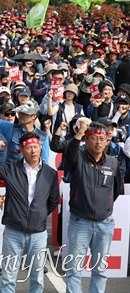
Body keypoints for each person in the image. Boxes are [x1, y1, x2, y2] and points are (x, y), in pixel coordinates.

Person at [0, 133, 59, 293]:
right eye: (29, 147)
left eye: (36, 147)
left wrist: (38, 214)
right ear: (21, 150)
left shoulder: (50, 173)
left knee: (37, 276)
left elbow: (53, 200)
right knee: (9, 275)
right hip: (13, 230)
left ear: (40, 148)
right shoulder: (11, 168)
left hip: (38, 231)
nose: (33, 151)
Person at [64, 120, 123, 293]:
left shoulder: (113, 162)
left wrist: (105, 206)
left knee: (100, 269)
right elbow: (68, 155)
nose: (98, 141)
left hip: (105, 223)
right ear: (86, 140)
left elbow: (117, 188)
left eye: (102, 138)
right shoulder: (78, 158)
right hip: (80, 222)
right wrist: (78, 134)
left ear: (107, 142)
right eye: (94, 138)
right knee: (74, 268)